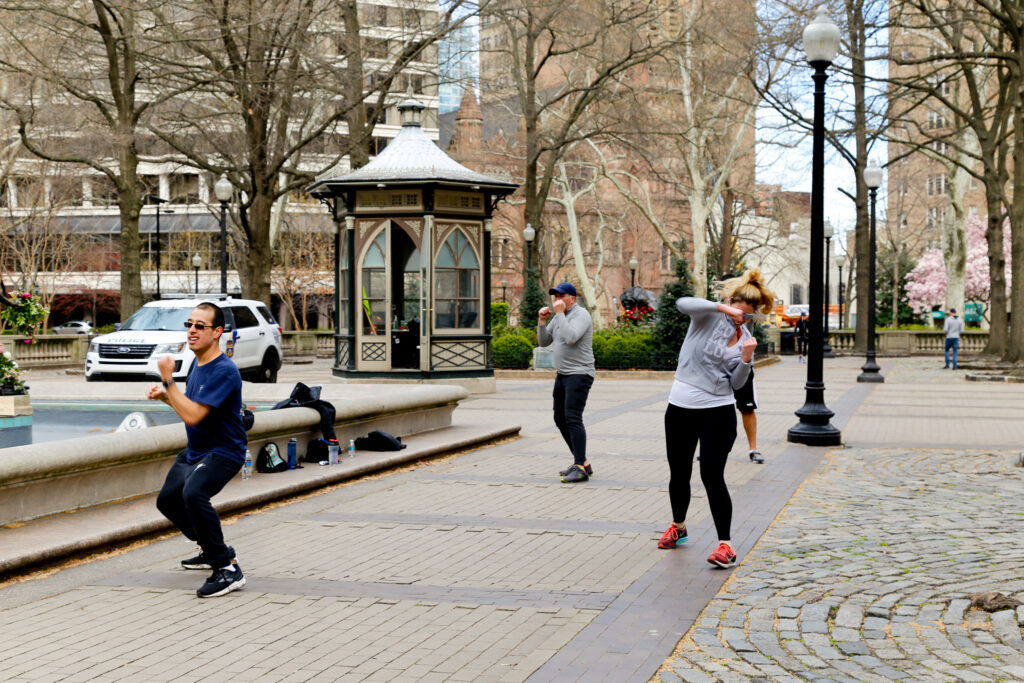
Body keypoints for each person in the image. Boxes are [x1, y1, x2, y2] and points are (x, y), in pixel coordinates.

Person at [657, 270, 776, 570]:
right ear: (729, 301)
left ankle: (726, 545)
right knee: (679, 471)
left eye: (749, 316)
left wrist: (747, 360)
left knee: (712, 475)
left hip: (718, 411)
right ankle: (678, 526)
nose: (742, 320)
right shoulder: (707, 317)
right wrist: (722, 308)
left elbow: (737, 384)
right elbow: (682, 303)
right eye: (740, 313)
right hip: (680, 407)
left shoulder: (745, 338)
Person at [148, 302, 248, 598]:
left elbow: (192, 416)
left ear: (216, 332)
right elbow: (191, 409)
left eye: (199, 326)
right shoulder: (197, 364)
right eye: (189, 324)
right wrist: (167, 397)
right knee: (168, 501)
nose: (191, 330)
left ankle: (227, 569)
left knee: (194, 494)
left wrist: (167, 379)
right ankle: (211, 548)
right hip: (197, 450)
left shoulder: (224, 370)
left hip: (224, 452)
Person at [537, 282, 595, 483]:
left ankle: (579, 467)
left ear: (572, 298)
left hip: (580, 373)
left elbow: (571, 337)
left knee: (572, 418)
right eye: (555, 297)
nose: (557, 300)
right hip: (563, 374)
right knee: (559, 418)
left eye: (561, 296)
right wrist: (542, 321)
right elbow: (544, 342)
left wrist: (559, 315)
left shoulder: (582, 315)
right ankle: (582, 461)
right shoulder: (558, 317)